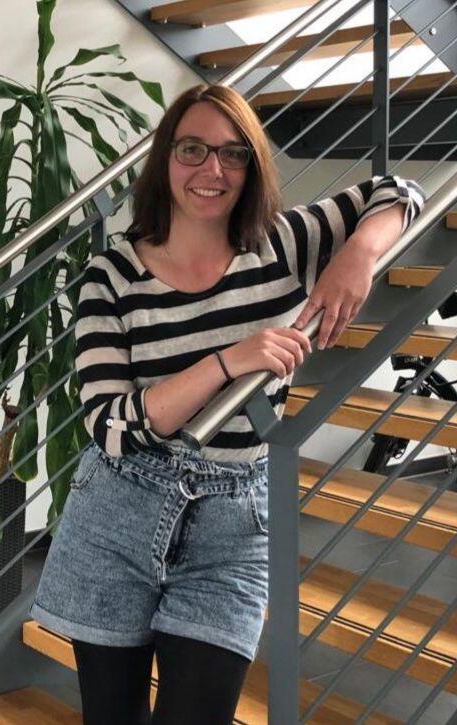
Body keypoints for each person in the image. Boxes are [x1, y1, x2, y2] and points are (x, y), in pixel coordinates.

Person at [29, 83, 425, 724]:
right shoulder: (113, 275)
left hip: (234, 520)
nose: (212, 170)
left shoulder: (283, 243)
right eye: (193, 149)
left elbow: (400, 192)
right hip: (118, 512)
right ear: (165, 158)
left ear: (251, 166)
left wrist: (357, 254)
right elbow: (111, 426)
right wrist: (227, 362)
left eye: (233, 153)